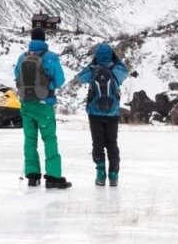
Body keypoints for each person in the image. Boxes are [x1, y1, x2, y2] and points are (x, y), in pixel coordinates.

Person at [14, 28, 70, 189]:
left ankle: (32, 176)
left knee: (30, 140)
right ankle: (53, 176)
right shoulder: (51, 57)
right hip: (45, 104)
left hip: (26, 104)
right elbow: (60, 81)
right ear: (44, 40)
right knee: (49, 139)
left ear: (31, 40)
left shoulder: (22, 57)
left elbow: (17, 76)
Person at [75, 43, 128, 186]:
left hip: (94, 113)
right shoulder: (117, 70)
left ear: (97, 56)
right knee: (112, 143)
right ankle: (114, 175)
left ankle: (100, 174)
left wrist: (93, 63)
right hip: (112, 114)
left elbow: (79, 77)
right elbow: (126, 71)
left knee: (98, 143)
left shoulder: (92, 70)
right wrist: (116, 59)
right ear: (111, 55)